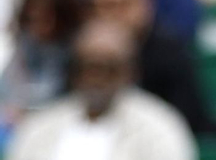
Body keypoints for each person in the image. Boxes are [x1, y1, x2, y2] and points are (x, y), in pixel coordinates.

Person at [6, 20, 196, 160]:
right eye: (87, 67)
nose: (96, 78)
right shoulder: (40, 128)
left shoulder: (159, 128)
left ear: (130, 71)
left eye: (108, 68)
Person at [87, 0, 209, 135]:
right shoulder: (81, 55)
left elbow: (185, 128)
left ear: (146, 4)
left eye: (122, 4)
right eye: (103, 5)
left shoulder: (171, 55)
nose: (111, 15)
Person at [0, 0, 80, 136]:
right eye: (33, 16)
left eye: (48, 16)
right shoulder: (23, 41)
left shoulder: (74, 51)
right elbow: (9, 87)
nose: (40, 24)